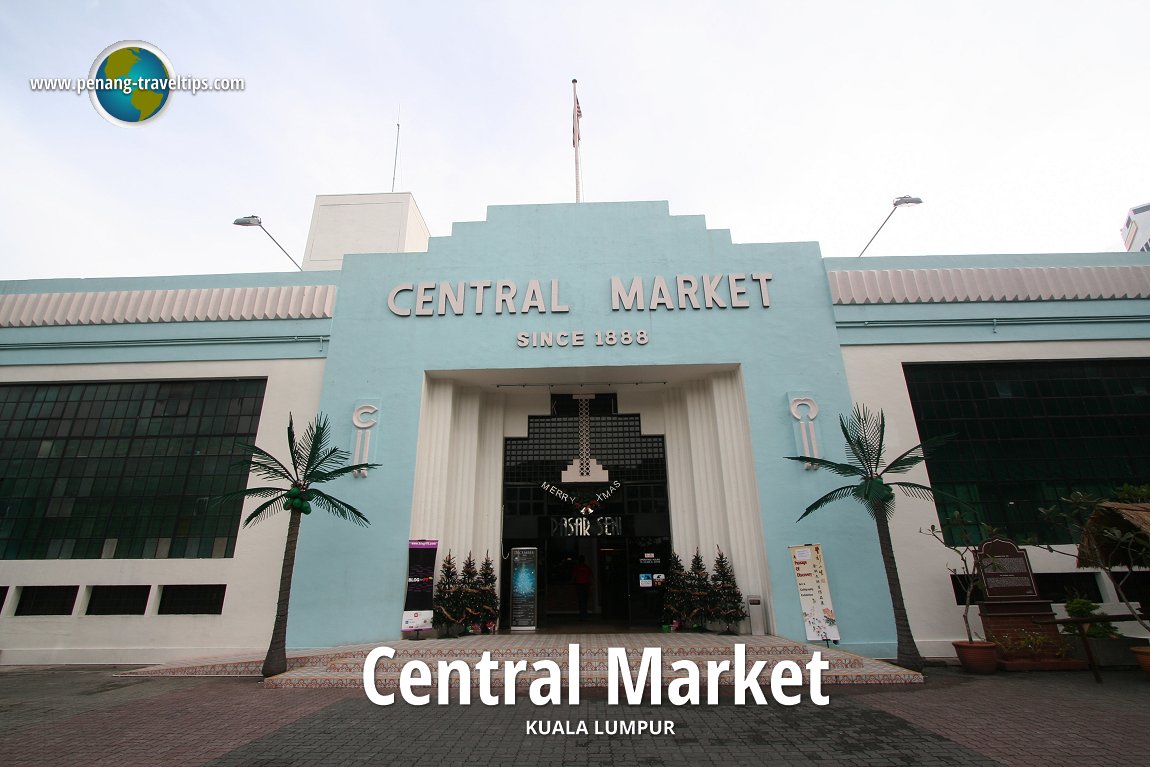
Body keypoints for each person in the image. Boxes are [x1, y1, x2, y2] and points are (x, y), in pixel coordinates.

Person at [573, 555, 592, 622]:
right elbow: (590, 576)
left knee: (581, 601)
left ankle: (582, 616)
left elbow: (574, 577)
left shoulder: (577, 568)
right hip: (585, 585)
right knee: (585, 601)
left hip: (579, 585)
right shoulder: (587, 567)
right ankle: (584, 615)